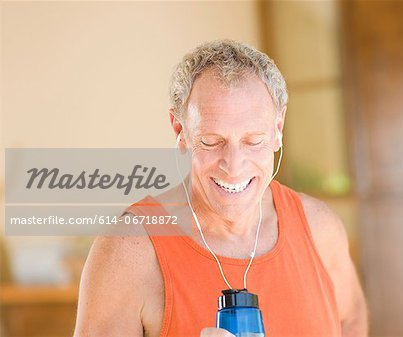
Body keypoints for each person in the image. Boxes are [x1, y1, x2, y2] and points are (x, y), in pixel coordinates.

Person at [73, 39, 368, 337]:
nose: (234, 165)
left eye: (254, 141)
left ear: (278, 129)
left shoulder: (319, 227)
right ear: (180, 131)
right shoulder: (128, 250)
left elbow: (351, 319)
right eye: (212, 141)